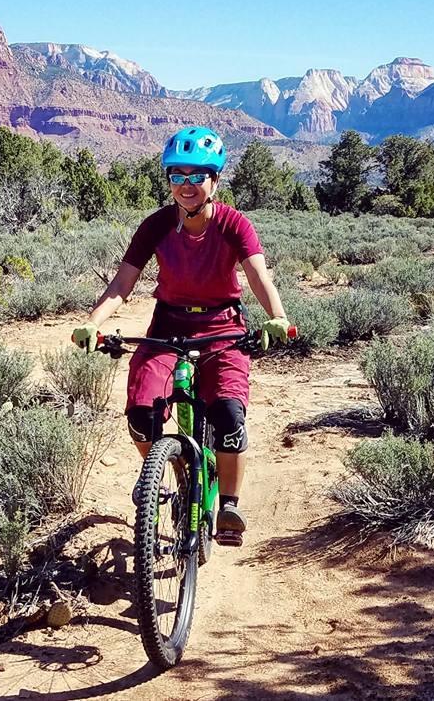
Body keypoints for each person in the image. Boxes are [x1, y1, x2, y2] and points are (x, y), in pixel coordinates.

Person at [70, 126, 291, 540]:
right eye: (177, 176)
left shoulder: (234, 225)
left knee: (228, 414)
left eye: (196, 176)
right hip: (168, 324)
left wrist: (276, 315)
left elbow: (258, 275)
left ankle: (228, 506)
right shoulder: (155, 225)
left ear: (214, 180)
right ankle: (162, 468)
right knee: (141, 411)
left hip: (222, 325)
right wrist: (93, 323)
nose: (186, 185)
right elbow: (122, 284)